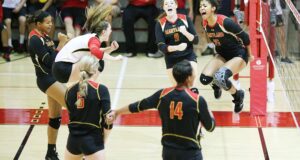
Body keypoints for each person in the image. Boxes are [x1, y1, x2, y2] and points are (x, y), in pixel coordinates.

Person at [107, 60, 215, 160]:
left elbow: (139, 106)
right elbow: (210, 127)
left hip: (168, 152)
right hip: (190, 153)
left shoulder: (162, 95)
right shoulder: (197, 100)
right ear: (188, 78)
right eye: (193, 73)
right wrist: (207, 108)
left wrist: (117, 112)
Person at [199, 0, 254, 113]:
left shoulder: (225, 22)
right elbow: (212, 38)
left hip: (238, 55)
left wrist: (250, 55)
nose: (201, 8)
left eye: (205, 6)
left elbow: (246, 37)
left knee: (220, 77)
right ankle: (216, 85)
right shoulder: (204, 23)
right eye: (200, 6)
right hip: (222, 54)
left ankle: (238, 96)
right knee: (204, 79)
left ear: (213, 8)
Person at [27, 11, 69, 159]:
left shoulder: (44, 36)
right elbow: (51, 62)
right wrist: (62, 43)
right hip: (46, 80)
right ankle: (79, 150)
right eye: (47, 22)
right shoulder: (35, 40)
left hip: (52, 78)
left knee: (55, 117)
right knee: (75, 108)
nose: (50, 24)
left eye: (51, 22)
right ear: (38, 24)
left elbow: (54, 56)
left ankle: (50, 153)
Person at [52, 3, 122, 84]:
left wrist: (111, 48)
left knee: (96, 58)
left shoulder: (92, 38)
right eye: (110, 29)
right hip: (63, 69)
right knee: (98, 61)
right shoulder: (93, 39)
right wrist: (114, 58)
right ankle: (90, 87)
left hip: (60, 68)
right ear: (103, 32)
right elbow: (95, 52)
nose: (111, 31)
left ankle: (84, 87)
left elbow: (97, 51)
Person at [64, 55, 113, 160]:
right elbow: (108, 121)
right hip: (93, 141)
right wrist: (102, 142)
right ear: (95, 71)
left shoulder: (69, 91)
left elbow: (72, 116)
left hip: (72, 142)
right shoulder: (101, 89)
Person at [156, 0, 199, 86]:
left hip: (188, 56)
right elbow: (161, 46)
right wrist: (177, 47)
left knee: (191, 85)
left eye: (171, 3)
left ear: (176, 6)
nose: (169, 5)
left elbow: (196, 40)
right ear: (164, 8)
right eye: (166, 4)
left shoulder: (186, 19)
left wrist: (185, 33)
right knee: (178, 88)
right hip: (171, 58)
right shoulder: (160, 23)